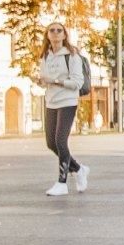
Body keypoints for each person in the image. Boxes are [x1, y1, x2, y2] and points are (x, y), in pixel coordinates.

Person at [37, 23, 90, 196]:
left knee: (60, 141)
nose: (55, 33)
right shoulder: (45, 56)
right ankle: (79, 169)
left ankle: (62, 183)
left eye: (59, 30)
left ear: (65, 35)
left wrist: (55, 81)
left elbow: (77, 82)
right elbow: (46, 79)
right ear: (47, 35)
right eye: (51, 30)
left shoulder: (72, 56)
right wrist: (41, 81)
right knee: (51, 143)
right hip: (51, 101)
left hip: (67, 101)